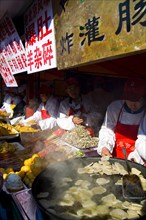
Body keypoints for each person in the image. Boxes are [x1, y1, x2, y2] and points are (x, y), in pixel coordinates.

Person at [97, 78, 146, 165]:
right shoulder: (114, 108)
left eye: (137, 100)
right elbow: (107, 129)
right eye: (129, 99)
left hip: (139, 160)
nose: (133, 104)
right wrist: (105, 147)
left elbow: (143, 140)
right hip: (116, 155)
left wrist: (135, 159)